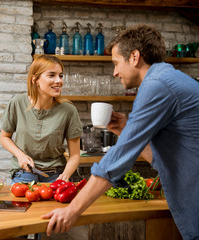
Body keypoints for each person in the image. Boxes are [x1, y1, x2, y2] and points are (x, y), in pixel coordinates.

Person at [42, 24, 199, 240]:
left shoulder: (156, 85)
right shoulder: (168, 78)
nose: (115, 72)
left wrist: (72, 211)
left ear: (134, 57)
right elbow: (162, 159)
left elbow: (116, 161)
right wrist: (126, 129)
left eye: (116, 63)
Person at [0, 54, 83, 184]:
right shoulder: (17, 103)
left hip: (57, 173)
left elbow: (75, 155)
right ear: (35, 80)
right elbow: (4, 137)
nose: (59, 81)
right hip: (25, 173)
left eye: (60, 76)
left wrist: (65, 176)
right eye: (51, 75)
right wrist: (20, 155)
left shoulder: (68, 110)